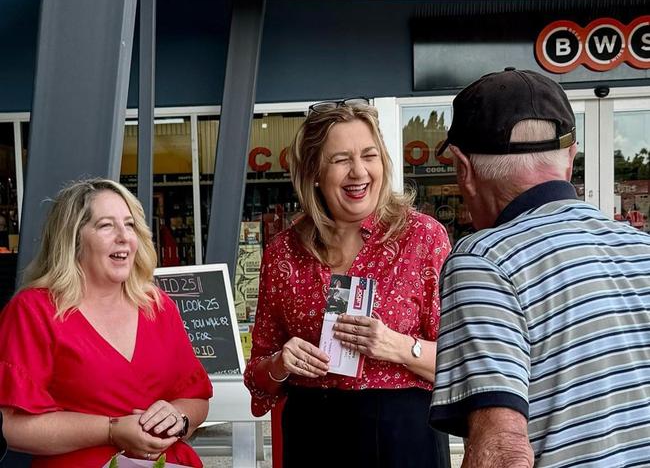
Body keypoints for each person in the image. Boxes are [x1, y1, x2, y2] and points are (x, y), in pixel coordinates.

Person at [429, 68, 650, 467]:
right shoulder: (642, 247)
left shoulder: (483, 260)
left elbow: (502, 451)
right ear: (570, 156)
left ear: (464, 169)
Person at [243, 98, 452, 468]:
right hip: (314, 435)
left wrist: (399, 346)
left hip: (404, 437)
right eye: (341, 160)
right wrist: (280, 362)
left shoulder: (423, 238)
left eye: (369, 155)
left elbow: (461, 360)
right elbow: (258, 376)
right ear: (314, 173)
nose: (359, 172)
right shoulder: (283, 253)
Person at [0, 178, 213, 467]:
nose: (124, 236)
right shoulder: (33, 311)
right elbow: (10, 426)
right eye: (106, 225)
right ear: (73, 239)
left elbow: (197, 399)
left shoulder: (158, 306)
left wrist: (178, 416)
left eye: (129, 224)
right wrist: (112, 430)